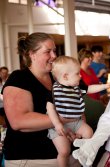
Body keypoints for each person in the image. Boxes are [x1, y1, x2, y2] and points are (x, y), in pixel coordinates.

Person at [1, 32, 80, 167]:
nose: (54, 56)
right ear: (32, 54)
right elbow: (19, 121)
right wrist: (69, 118)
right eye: (48, 51)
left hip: (69, 157)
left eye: (54, 51)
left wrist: (75, 129)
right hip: (32, 159)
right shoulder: (19, 78)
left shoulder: (57, 77)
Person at [47, 56, 110, 167]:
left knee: (89, 132)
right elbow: (50, 109)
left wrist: (105, 86)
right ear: (66, 76)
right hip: (59, 126)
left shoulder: (77, 88)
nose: (80, 75)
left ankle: (84, 155)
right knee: (64, 151)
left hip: (76, 123)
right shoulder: (55, 90)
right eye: (77, 74)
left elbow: (90, 88)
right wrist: (57, 124)